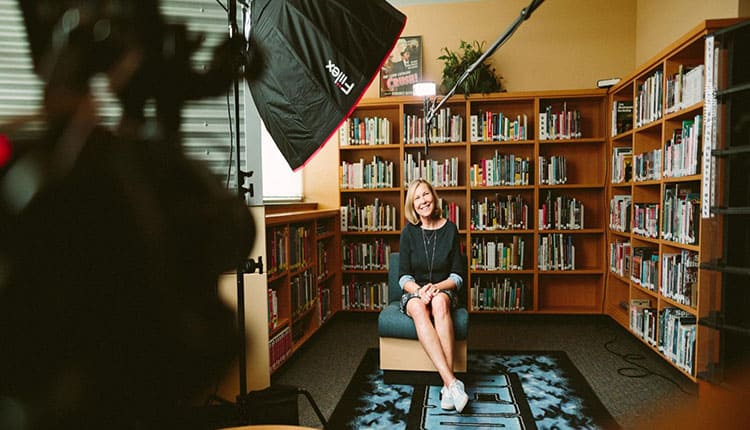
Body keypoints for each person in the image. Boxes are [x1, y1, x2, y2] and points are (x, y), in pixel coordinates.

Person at [398, 178, 469, 413]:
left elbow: (458, 275)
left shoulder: (450, 229)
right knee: (419, 308)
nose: (422, 201)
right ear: (412, 204)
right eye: (417, 197)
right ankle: (451, 383)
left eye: (426, 195)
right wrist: (419, 291)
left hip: (443, 289)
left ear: (434, 197)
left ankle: (448, 386)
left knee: (439, 303)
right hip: (415, 293)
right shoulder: (408, 232)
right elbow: (403, 277)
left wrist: (435, 287)